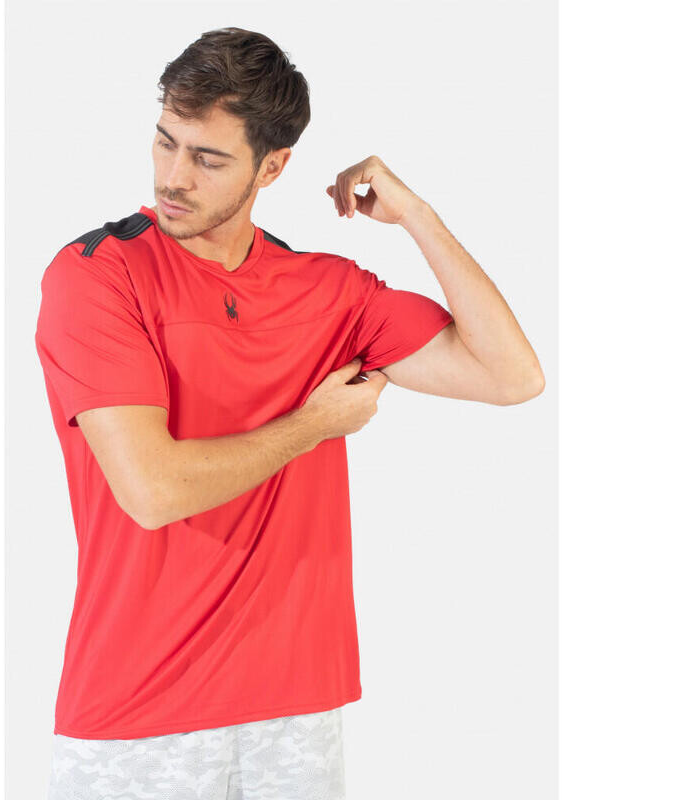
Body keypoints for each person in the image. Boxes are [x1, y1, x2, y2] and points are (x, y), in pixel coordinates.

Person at [34, 26, 544, 800]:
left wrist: (417, 215)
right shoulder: (98, 277)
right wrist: (314, 425)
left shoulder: (328, 290)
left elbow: (511, 376)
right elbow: (153, 490)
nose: (174, 177)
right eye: (166, 142)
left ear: (273, 166)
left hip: (296, 713)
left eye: (208, 159)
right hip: (140, 716)